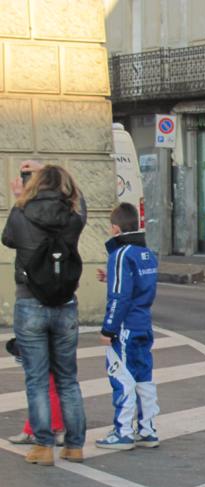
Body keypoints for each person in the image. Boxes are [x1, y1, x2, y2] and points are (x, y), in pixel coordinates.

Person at [2, 163, 87, 465]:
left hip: (30, 302)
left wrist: (19, 197)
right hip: (65, 304)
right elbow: (83, 207)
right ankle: (74, 446)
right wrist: (56, 171)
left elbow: (8, 239)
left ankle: (43, 446)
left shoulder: (21, 213)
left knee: (37, 379)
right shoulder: (72, 217)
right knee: (68, 379)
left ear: (34, 184)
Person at [96, 202, 160, 450]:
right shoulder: (147, 254)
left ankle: (122, 431)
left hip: (125, 327)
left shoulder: (120, 255)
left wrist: (108, 329)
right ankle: (147, 429)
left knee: (121, 376)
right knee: (144, 376)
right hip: (144, 323)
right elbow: (139, 286)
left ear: (115, 228)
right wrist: (111, 277)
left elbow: (119, 296)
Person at [6, 338, 65, 446]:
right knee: (51, 393)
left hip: (42, 351)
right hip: (55, 348)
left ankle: (56, 431)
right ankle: (55, 431)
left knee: (42, 394)